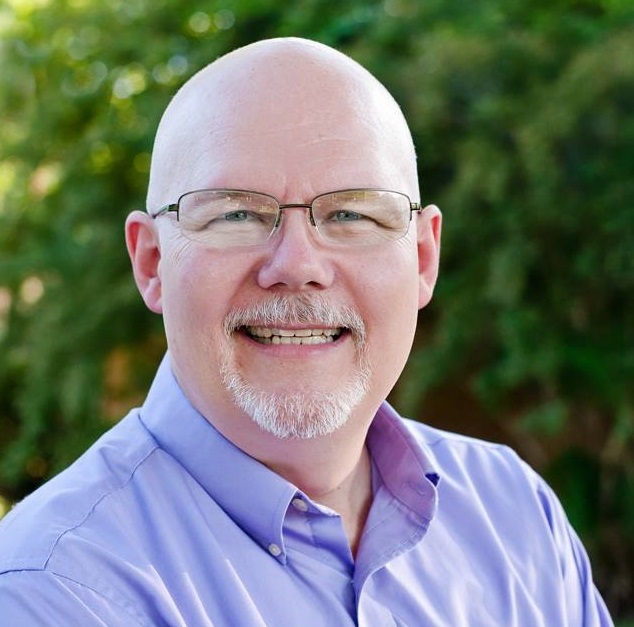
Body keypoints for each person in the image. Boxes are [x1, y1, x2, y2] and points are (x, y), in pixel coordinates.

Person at [0, 37, 612, 626]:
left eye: (352, 213)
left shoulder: (515, 515)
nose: (297, 266)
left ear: (423, 258)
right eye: (236, 214)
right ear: (153, 264)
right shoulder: (53, 590)